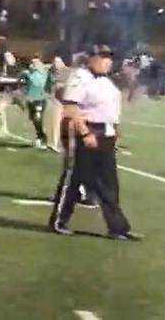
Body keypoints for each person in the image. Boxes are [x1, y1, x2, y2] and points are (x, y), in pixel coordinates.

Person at [48, 45, 141, 241]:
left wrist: (115, 132)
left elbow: (111, 110)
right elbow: (71, 107)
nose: (107, 61)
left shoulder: (106, 81)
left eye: (109, 58)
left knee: (109, 183)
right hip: (88, 130)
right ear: (90, 58)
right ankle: (59, 220)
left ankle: (118, 227)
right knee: (73, 179)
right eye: (102, 57)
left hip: (105, 132)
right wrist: (85, 133)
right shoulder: (81, 77)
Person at [18, 57, 51, 148]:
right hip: (30, 100)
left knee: (37, 117)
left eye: (36, 63)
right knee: (34, 120)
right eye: (32, 63)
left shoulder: (45, 72)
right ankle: (39, 136)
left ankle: (42, 137)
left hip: (40, 99)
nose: (33, 64)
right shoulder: (27, 73)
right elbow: (20, 81)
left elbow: (50, 82)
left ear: (40, 64)